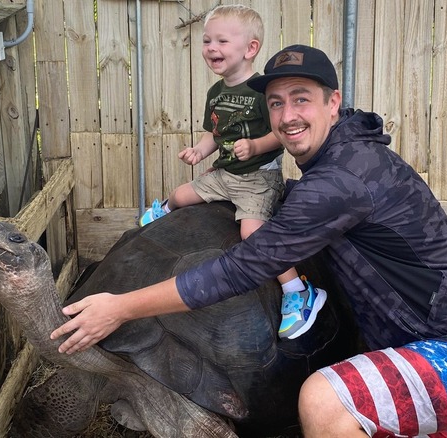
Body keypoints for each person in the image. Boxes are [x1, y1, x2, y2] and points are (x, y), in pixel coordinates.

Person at [52, 45, 447, 437]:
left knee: (323, 400)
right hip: (414, 341)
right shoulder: (345, 158)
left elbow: (241, 268)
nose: (287, 115)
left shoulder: (343, 177)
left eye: (302, 99)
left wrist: (120, 307)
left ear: (333, 103)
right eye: (276, 103)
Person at [138, 5, 326, 340]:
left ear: (250, 49)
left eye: (222, 41)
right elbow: (214, 133)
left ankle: (298, 290)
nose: (211, 47)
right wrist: (199, 150)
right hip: (224, 173)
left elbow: (279, 132)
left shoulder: (261, 91)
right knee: (180, 195)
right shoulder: (216, 92)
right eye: (207, 40)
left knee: (252, 235)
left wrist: (255, 146)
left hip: (256, 180)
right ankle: (161, 212)